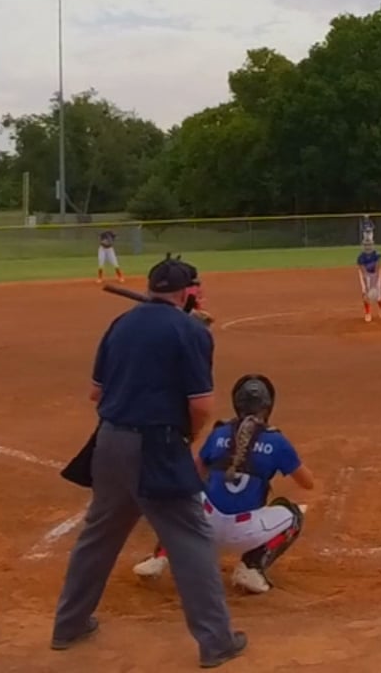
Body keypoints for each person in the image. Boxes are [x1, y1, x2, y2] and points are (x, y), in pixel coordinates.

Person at [50, 255, 247, 667]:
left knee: (98, 536)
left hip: (108, 442)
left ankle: (69, 625)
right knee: (190, 540)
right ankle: (216, 642)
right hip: (157, 448)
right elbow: (200, 405)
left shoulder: (122, 324)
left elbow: (96, 393)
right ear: (187, 292)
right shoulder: (190, 331)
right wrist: (187, 436)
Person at [133, 373, 317, 594]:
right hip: (246, 532)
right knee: (293, 514)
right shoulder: (276, 441)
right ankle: (252, 567)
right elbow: (308, 483)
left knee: (184, 496)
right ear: (268, 406)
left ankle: (160, 556)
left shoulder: (219, 433)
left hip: (203, 527)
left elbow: (192, 475)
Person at [357, 237, 381, 323]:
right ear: (363, 246)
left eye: (369, 245)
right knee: (365, 292)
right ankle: (367, 313)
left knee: (377, 292)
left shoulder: (377, 255)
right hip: (365, 274)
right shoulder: (361, 258)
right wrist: (367, 287)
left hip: (376, 273)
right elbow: (364, 273)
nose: (368, 247)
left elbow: (377, 268)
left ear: (373, 245)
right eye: (366, 245)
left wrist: (374, 285)